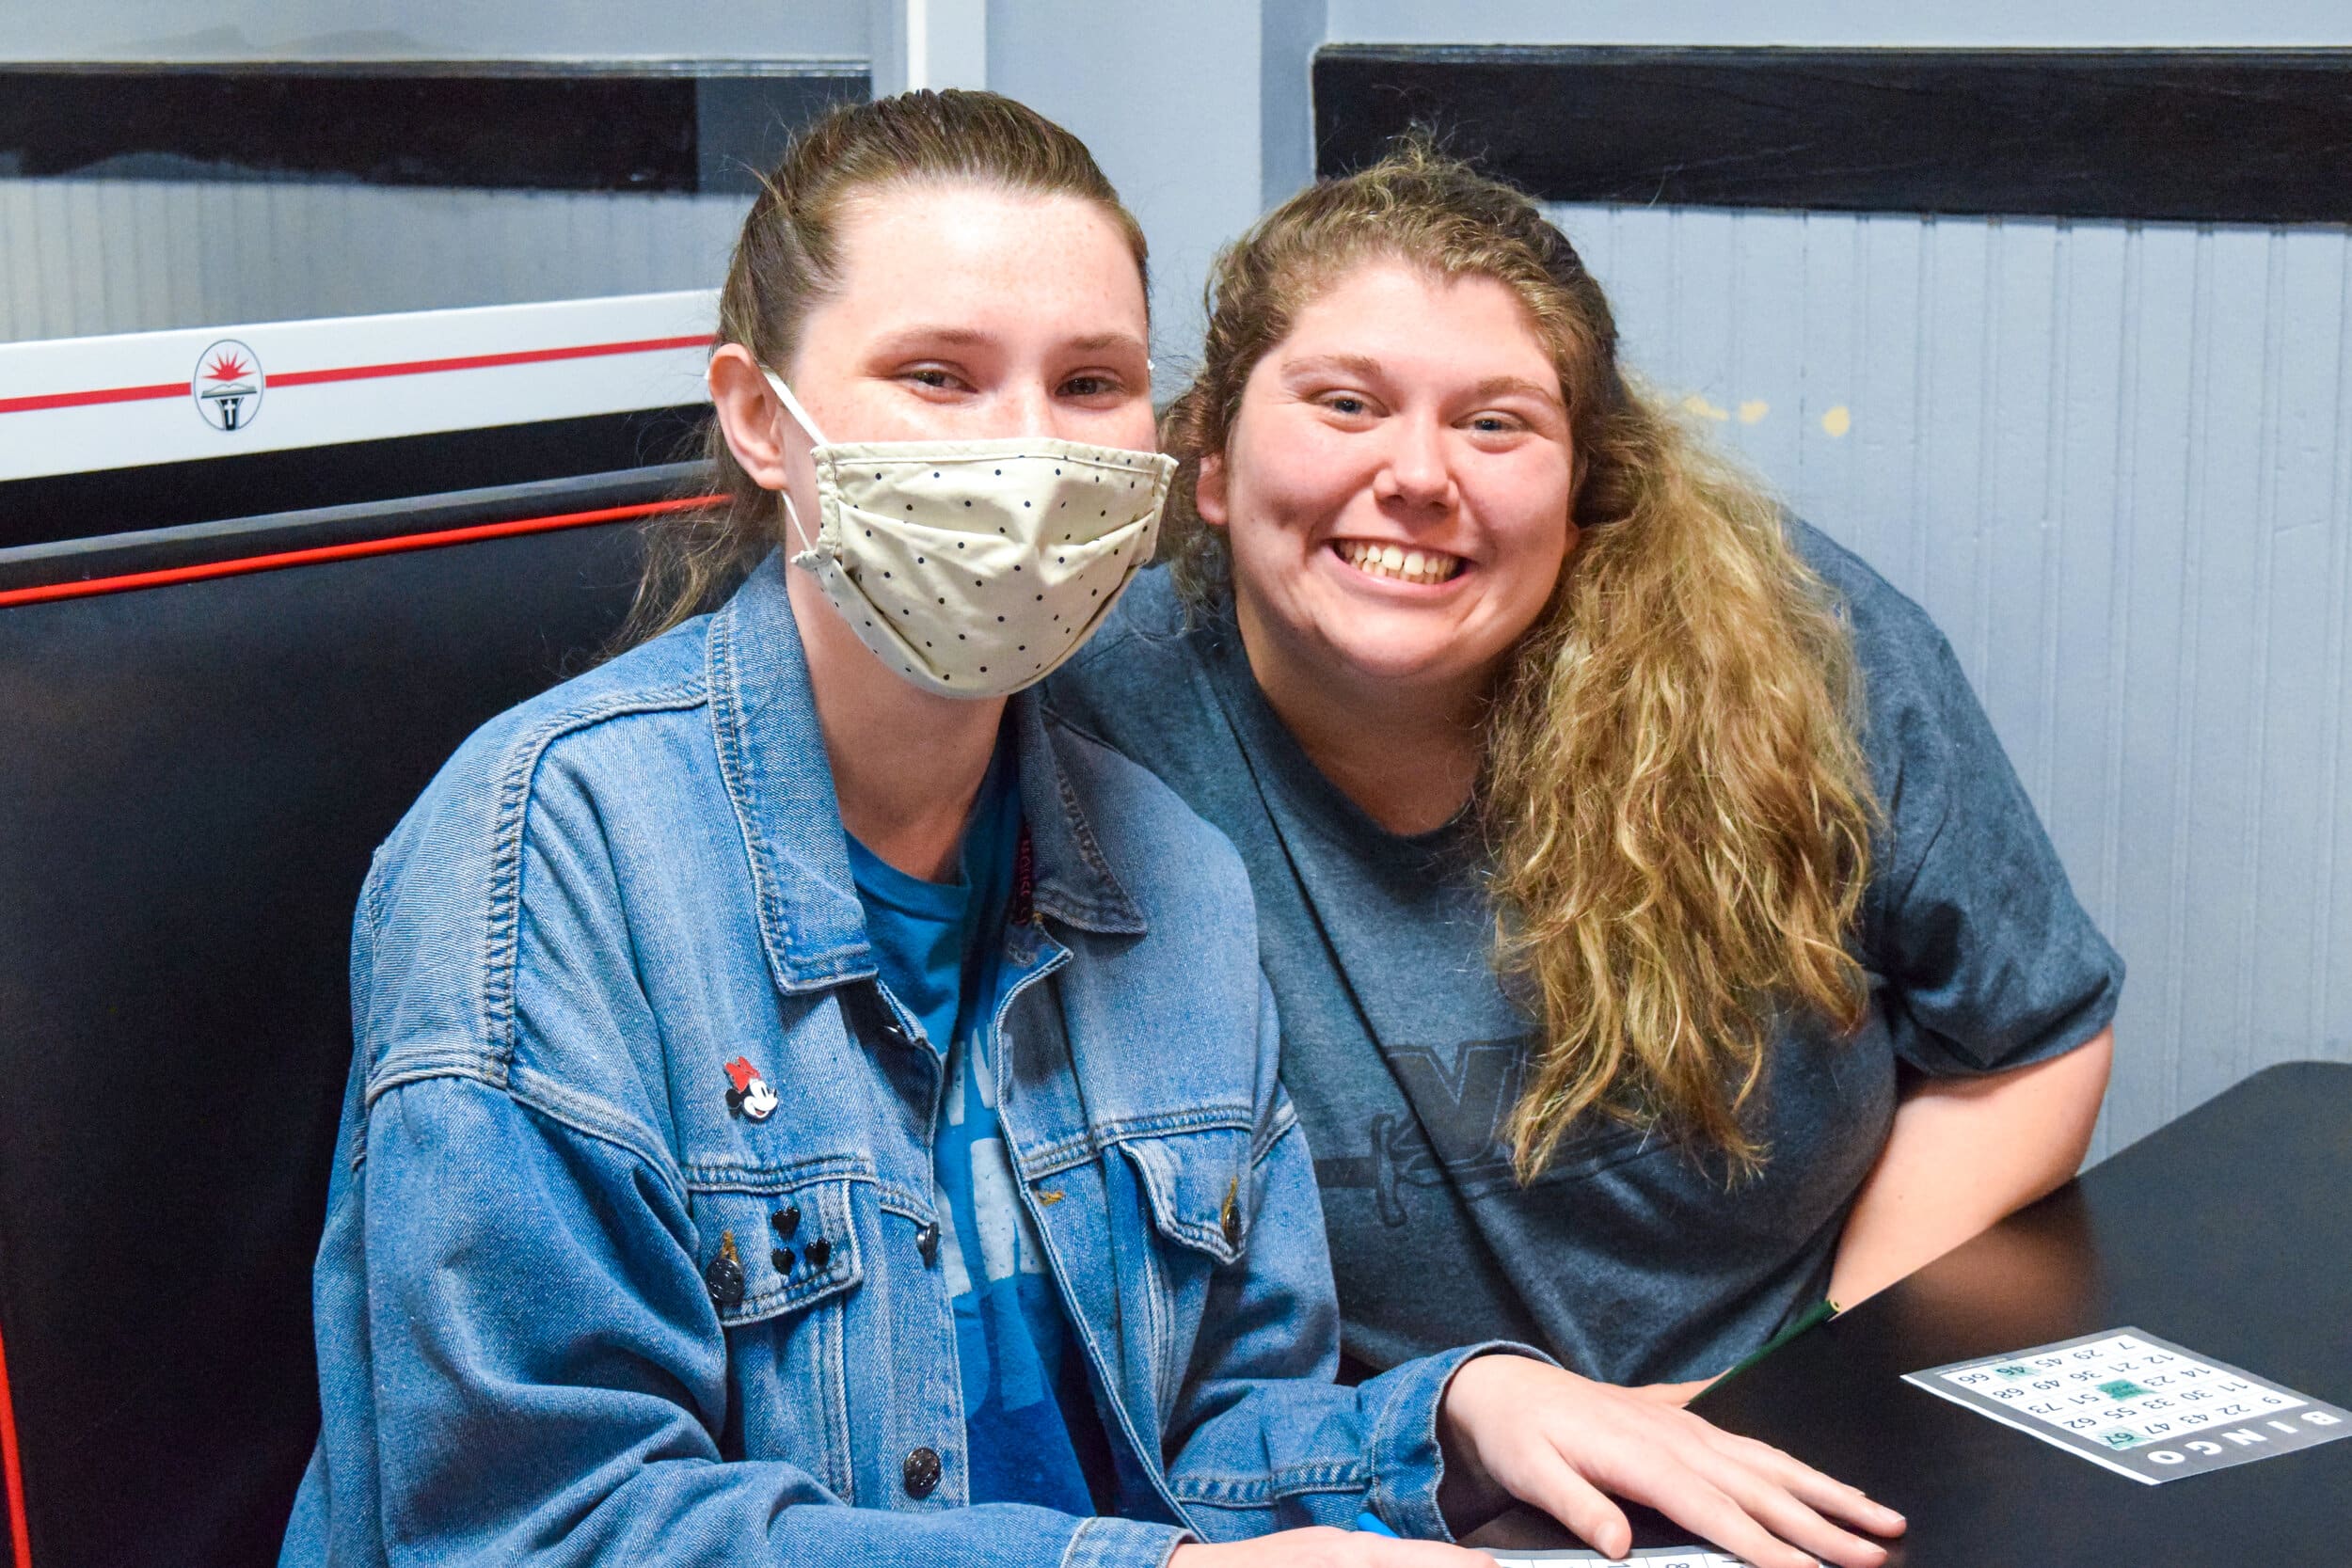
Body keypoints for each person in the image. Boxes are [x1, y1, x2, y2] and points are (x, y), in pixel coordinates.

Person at [279, 93, 1904, 1568]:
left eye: (1090, 385)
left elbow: (1198, 1445)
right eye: (936, 378)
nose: (1030, 456)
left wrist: (1465, 1413)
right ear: (763, 422)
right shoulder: (542, 854)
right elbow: (530, 1529)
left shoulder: (1165, 869)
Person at [1047, 141, 2122, 1399]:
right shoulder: (1079, 710)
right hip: (1359, 1481)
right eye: (1345, 403)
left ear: (1582, 491)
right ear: (1214, 466)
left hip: (1775, 1438)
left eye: (1495, 423)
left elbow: (2032, 1041)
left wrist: (1798, 1391)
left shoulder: (1795, 647)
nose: (1416, 476)